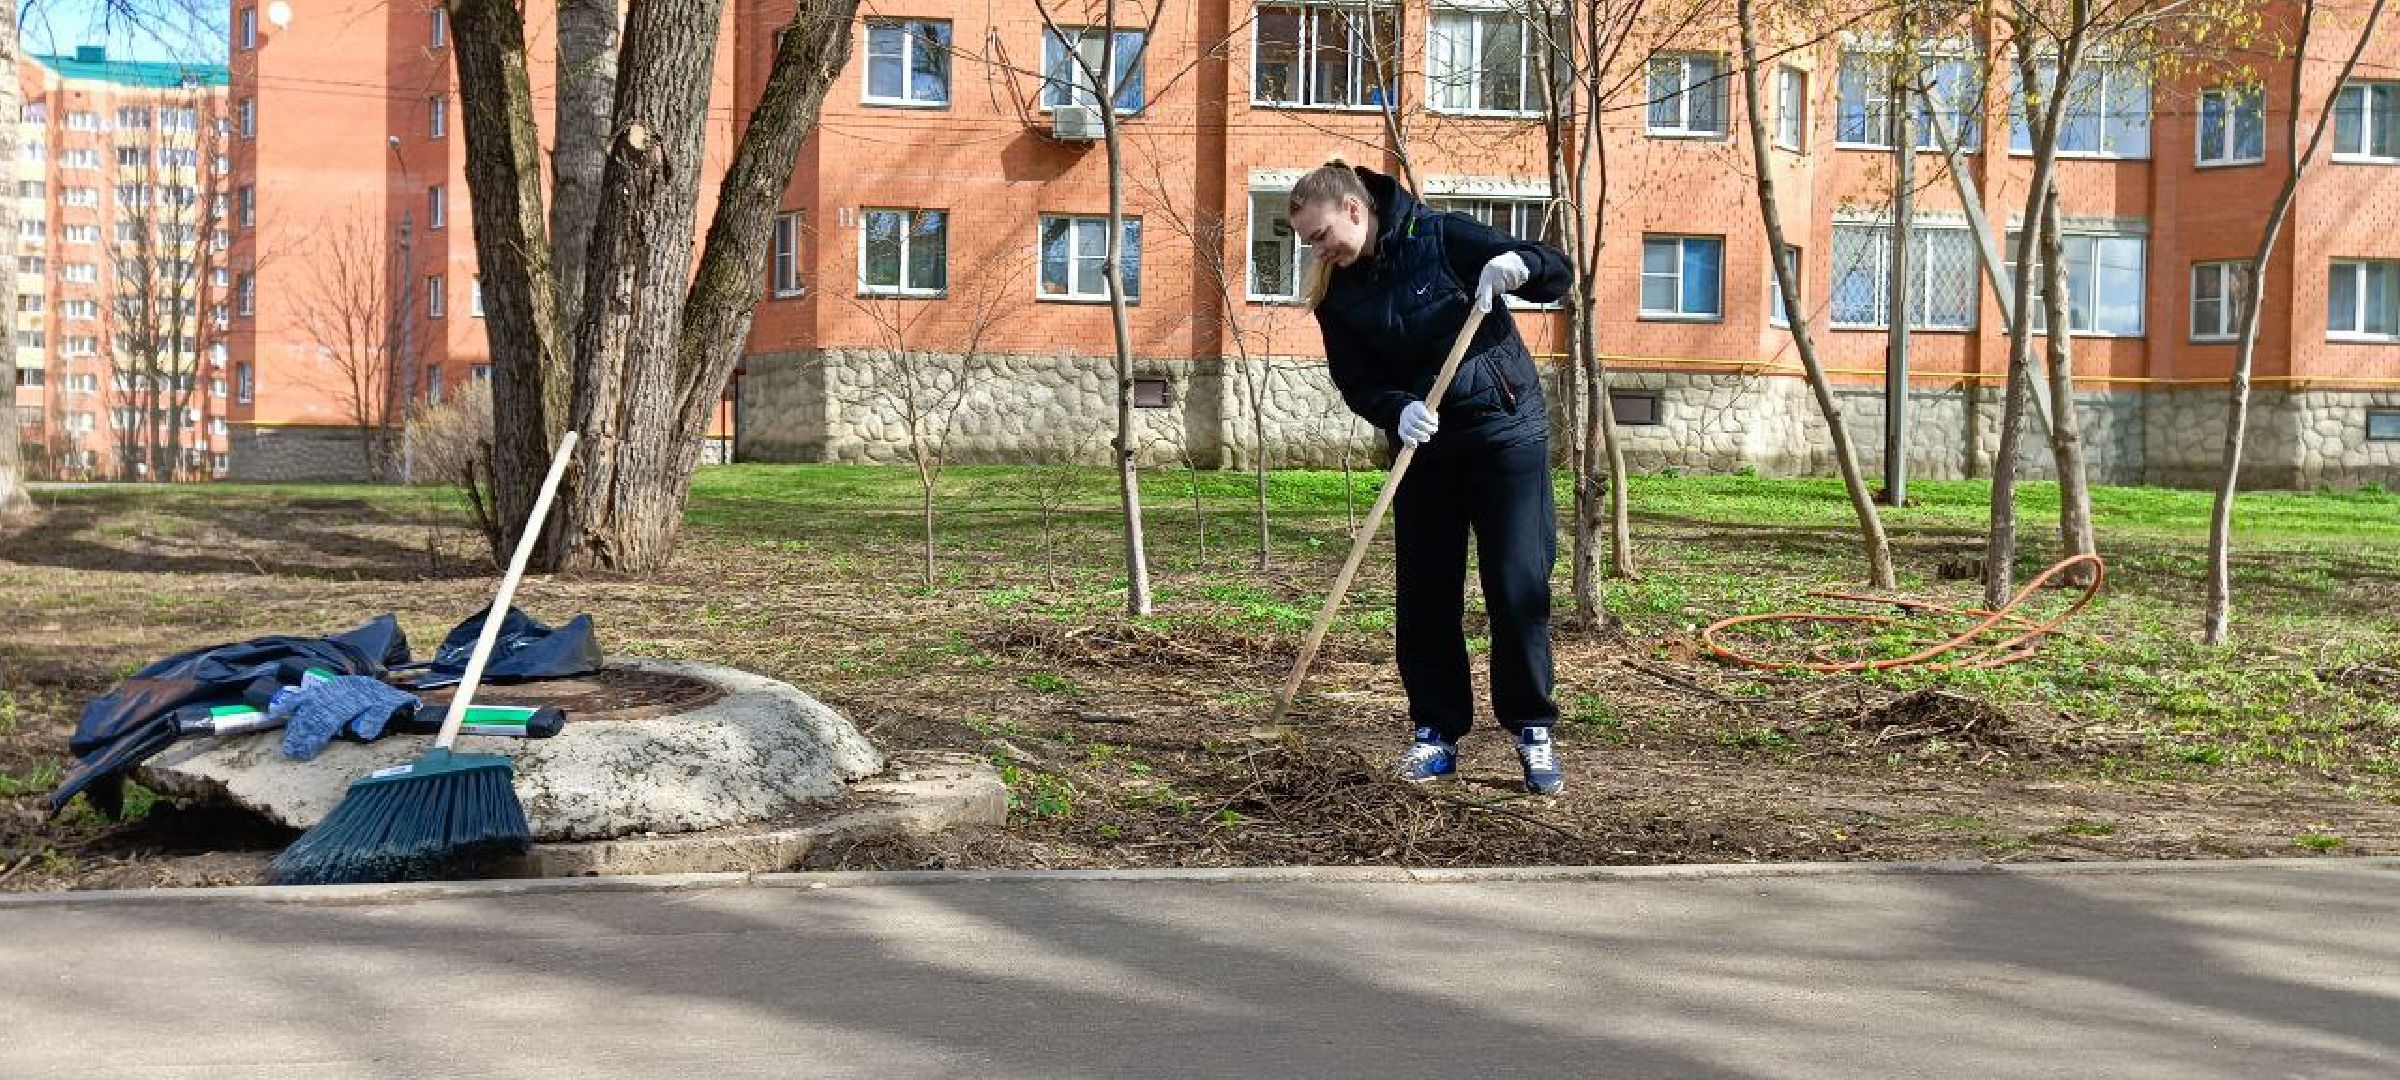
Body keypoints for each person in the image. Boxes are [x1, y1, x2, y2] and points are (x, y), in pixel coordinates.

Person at [1287, 158, 1571, 796]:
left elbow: (1556, 270)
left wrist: (1519, 267)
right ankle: (1437, 733)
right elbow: (1356, 380)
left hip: (1505, 432)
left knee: (1516, 585)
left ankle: (1532, 730)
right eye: (1308, 240)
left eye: (1321, 233)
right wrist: (1397, 409)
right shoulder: (1337, 291)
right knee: (1425, 596)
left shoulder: (1443, 237)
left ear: (1355, 210)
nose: (1317, 248)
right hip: (1424, 448)